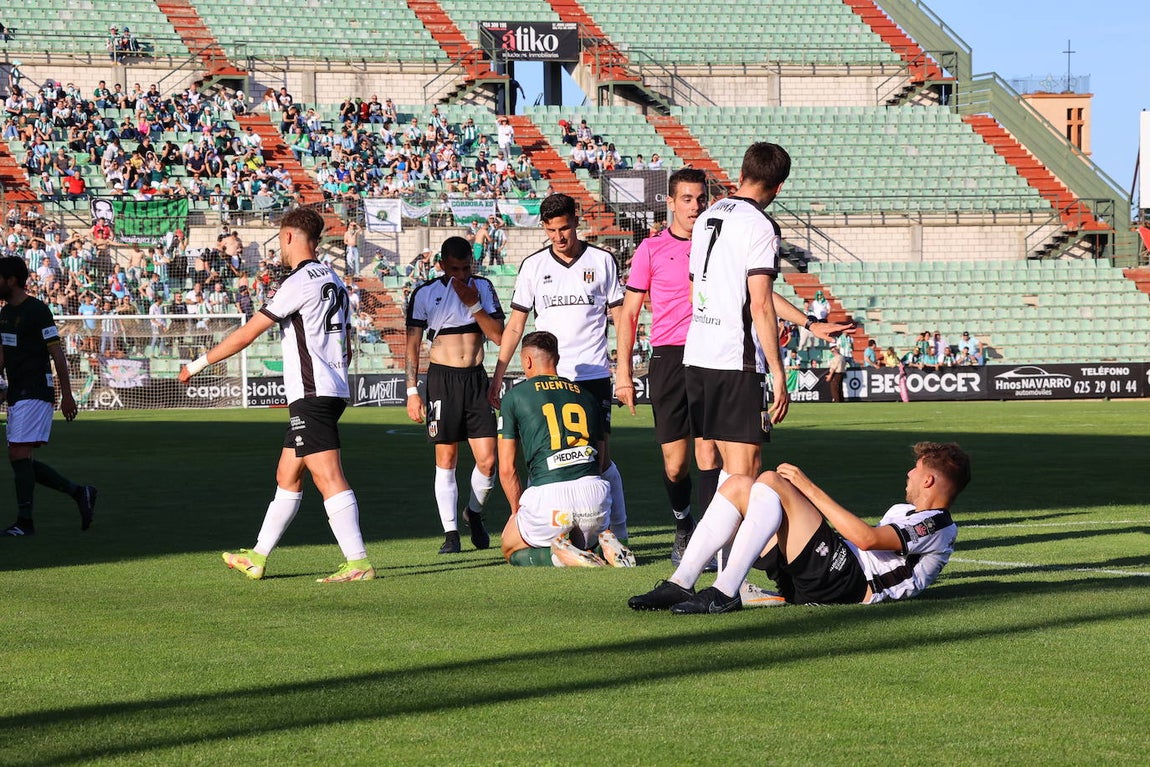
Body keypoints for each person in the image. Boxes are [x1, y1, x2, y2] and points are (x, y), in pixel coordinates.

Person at [178, 208, 374, 583]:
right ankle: (257, 556)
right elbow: (345, 342)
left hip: (313, 391)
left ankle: (358, 562)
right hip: (330, 387)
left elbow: (248, 333)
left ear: (289, 237)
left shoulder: (298, 281)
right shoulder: (332, 277)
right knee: (287, 474)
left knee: (328, 476)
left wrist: (197, 364)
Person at [629, 441, 971, 613]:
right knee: (737, 485)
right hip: (827, 575)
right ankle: (681, 583)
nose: (908, 475)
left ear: (928, 479)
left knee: (772, 481)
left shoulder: (937, 524)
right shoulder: (907, 510)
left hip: (850, 584)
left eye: (915, 469)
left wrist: (808, 488)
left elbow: (866, 540)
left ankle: (724, 591)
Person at [682, 142, 851, 481]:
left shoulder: (706, 217)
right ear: (779, 186)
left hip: (698, 355)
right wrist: (778, 372)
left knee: (719, 468)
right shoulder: (760, 225)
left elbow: (704, 290)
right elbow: (758, 303)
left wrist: (809, 322)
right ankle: (720, 536)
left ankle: (712, 535)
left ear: (742, 174)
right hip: (735, 360)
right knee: (744, 472)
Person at [488, 193, 630, 543]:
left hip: (592, 374)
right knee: (546, 456)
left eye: (564, 228)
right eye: (551, 231)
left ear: (576, 221)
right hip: (548, 378)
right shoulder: (534, 266)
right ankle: (560, 529)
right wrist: (498, 374)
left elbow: (621, 318)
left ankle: (616, 535)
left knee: (598, 458)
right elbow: (516, 326)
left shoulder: (602, 261)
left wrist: (623, 371)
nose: (559, 237)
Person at [615, 168, 722, 563]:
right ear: (671, 202)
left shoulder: (719, 242)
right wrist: (623, 372)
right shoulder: (651, 249)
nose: (695, 206)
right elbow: (628, 314)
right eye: (687, 199)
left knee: (708, 454)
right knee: (675, 465)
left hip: (711, 352)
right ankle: (683, 524)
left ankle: (711, 542)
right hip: (669, 356)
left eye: (700, 199)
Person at [498, 331, 633, 568]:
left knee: (510, 547)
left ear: (527, 361)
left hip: (549, 500)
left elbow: (507, 469)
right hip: (594, 498)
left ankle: (556, 559)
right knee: (583, 537)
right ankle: (602, 545)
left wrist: (516, 513)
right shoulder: (587, 397)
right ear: (557, 359)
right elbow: (601, 462)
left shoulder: (515, 397)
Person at [405, 236, 505, 554]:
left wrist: (472, 303)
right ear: (442, 265)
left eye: (465, 269)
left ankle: (473, 513)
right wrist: (412, 391)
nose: (460, 275)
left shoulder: (483, 288)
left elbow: (499, 337)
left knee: (488, 461)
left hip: (476, 380)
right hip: (441, 381)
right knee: (446, 459)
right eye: (453, 269)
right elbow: (411, 345)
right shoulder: (425, 293)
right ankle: (450, 533)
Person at [0, 257, 97, 537]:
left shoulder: (37, 310)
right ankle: (80, 493)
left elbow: (56, 353)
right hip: (18, 391)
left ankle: (25, 522)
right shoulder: (4, 315)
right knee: (20, 458)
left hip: (36, 388)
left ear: (12, 280)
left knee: (18, 453)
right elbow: (3, 356)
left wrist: (67, 395)